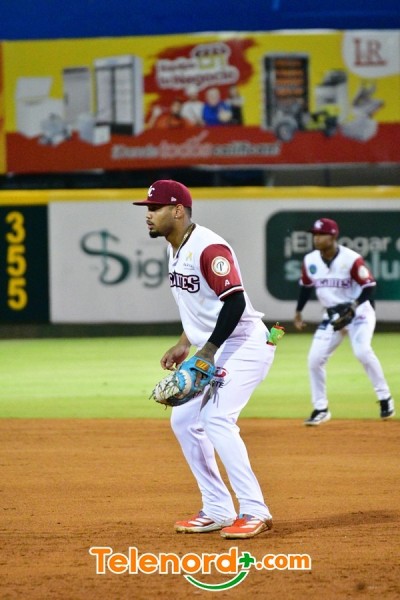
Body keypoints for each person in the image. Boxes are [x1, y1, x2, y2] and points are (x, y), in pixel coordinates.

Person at [133, 179, 276, 539]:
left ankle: (255, 510)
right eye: (148, 209)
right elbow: (199, 305)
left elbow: (235, 302)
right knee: (184, 421)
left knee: (216, 418)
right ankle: (217, 509)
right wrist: (185, 343)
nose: (148, 215)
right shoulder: (174, 247)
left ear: (178, 210)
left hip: (244, 344)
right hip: (216, 344)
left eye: (155, 208)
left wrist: (207, 351)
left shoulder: (208, 248)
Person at [294, 217, 395, 426]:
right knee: (314, 360)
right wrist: (298, 311)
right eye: (314, 234)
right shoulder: (310, 260)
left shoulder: (351, 259)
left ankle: (385, 397)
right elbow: (306, 286)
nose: (316, 238)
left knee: (362, 351)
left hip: (359, 313)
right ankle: (321, 408)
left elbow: (369, 286)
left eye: (321, 234)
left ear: (333, 236)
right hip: (332, 316)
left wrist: (353, 307)